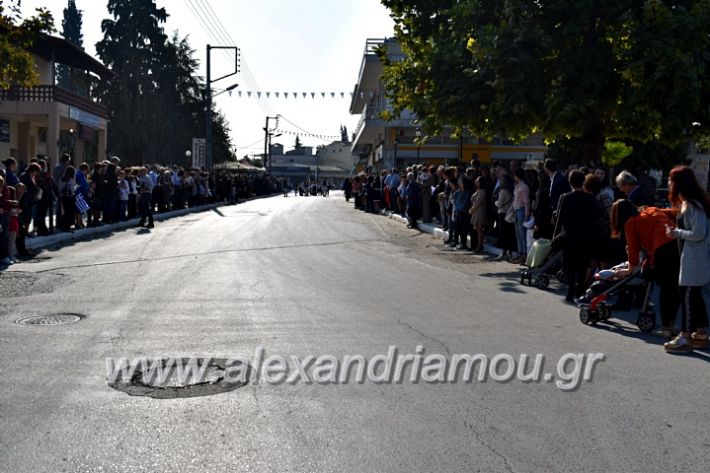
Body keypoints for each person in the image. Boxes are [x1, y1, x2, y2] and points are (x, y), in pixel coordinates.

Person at [611, 199, 680, 336]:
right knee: (673, 288)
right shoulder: (651, 210)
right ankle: (671, 324)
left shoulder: (631, 222)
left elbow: (633, 250)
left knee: (666, 290)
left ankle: (666, 327)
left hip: (662, 250)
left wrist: (629, 270)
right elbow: (674, 213)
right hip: (677, 245)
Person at [663, 166, 710, 352]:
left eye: (671, 179)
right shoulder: (690, 203)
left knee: (688, 297)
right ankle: (700, 333)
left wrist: (676, 233)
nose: (668, 182)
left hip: (695, 258)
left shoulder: (692, 205)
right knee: (694, 296)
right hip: (692, 257)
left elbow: (699, 233)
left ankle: (685, 336)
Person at [555, 170, 606, 302]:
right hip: (586, 237)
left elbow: (559, 219)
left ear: (570, 182)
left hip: (569, 236)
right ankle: (580, 290)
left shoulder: (565, 197)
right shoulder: (590, 198)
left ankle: (571, 289)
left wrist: (555, 236)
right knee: (583, 266)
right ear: (583, 182)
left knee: (569, 265)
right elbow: (597, 217)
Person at [494, 174, 517, 260]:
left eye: (502, 180)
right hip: (509, 214)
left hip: (502, 213)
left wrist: (495, 202)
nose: (500, 182)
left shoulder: (502, 191)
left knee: (503, 234)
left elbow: (499, 203)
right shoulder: (510, 191)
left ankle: (504, 252)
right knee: (509, 234)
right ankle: (509, 252)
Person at [512, 168, 531, 263]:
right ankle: (520, 252)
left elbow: (526, 202)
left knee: (522, 233)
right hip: (516, 210)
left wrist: (527, 215)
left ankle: (524, 254)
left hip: (521, 211)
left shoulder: (524, 187)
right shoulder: (517, 185)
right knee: (518, 234)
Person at [469, 176, 487, 253]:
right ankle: (478, 245)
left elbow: (478, 202)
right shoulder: (478, 190)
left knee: (479, 229)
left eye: (477, 180)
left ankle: (479, 246)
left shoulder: (482, 191)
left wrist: (471, 209)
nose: (476, 181)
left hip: (479, 211)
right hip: (476, 211)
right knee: (477, 228)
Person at [58, 166, 76, 232]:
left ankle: (63, 225)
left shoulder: (61, 179)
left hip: (63, 197)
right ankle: (68, 226)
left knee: (64, 212)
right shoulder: (71, 179)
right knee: (70, 212)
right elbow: (71, 189)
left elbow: (59, 188)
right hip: (70, 197)